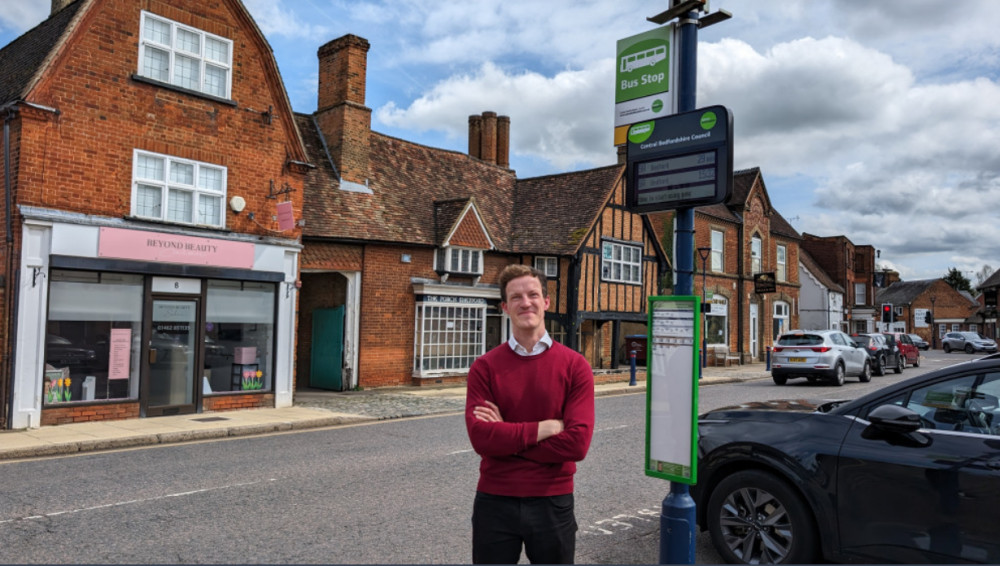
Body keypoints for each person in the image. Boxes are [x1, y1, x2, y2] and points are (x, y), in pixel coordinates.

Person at [465, 264, 595, 564]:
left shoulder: (575, 366)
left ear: (546, 302)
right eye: (516, 297)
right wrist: (545, 428)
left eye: (533, 294)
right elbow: (482, 439)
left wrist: (507, 436)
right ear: (505, 306)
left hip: (553, 501)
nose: (526, 303)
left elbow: (577, 444)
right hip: (495, 501)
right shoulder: (484, 367)